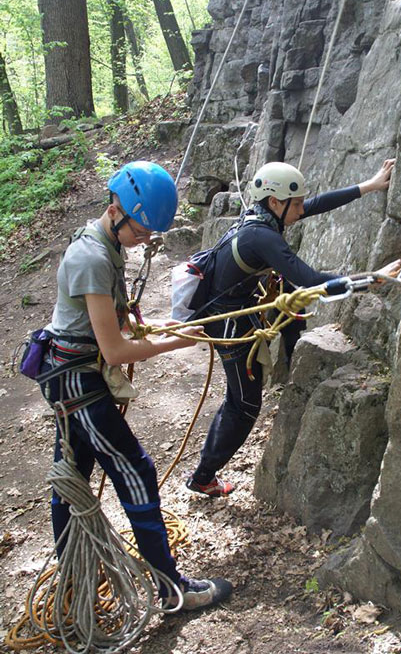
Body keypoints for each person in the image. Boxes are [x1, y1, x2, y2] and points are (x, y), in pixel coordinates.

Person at [39, 160, 232, 610]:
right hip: (78, 383)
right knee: (135, 471)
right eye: (141, 231)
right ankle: (171, 589)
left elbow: (116, 320)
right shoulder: (91, 256)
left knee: (72, 476)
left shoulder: (105, 242)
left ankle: (74, 581)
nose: (144, 240)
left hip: (70, 377)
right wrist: (175, 343)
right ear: (116, 208)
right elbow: (116, 351)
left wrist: (166, 325)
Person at [185, 159, 401, 498]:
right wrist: (373, 280)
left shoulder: (261, 218)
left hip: (235, 314)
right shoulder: (262, 237)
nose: (302, 209)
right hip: (231, 325)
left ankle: (291, 353)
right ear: (276, 202)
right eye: (296, 203)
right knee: (243, 405)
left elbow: (315, 204)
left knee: (239, 398)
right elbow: (312, 282)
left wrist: (370, 185)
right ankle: (203, 477)